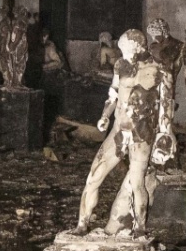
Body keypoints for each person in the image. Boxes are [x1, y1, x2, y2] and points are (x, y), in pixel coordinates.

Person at [75, 30, 176, 236]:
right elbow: (112, 95)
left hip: (142, 134)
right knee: (93, 177)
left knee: (138, 183)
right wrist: (104, 115)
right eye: (121, 50)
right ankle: (81, 224)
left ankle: (140, 227)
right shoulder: (121, 66)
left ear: (138, 47)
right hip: (118, 130)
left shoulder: (160, 70)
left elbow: (166, 106)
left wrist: (165, 134)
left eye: (126, 49)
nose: (123, 53)